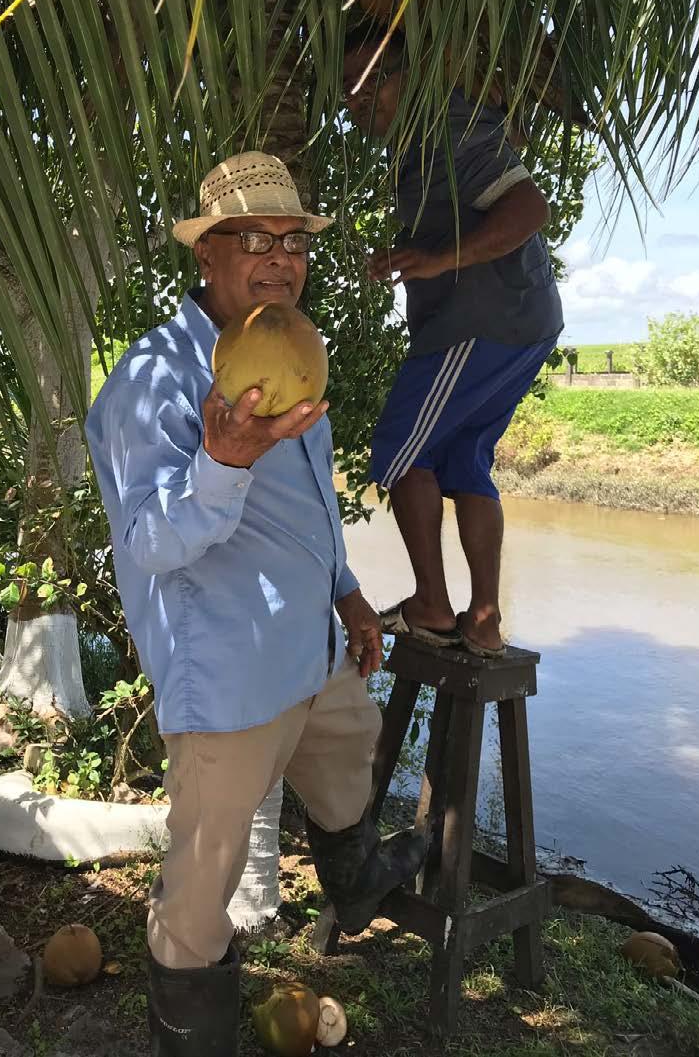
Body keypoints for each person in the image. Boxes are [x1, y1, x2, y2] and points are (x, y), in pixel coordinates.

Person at [85, 151, 425, 1055]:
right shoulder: (150, 380)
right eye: (253, 240)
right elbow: (151, 542)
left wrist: (348, 592)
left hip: (308, 647)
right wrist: (223, 458)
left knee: (350, 755)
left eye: (293, 241)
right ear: (207, 255)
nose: (279, 258)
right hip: (230, 670)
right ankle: (193, 1033)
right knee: (203, 886)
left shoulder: (293, 342)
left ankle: (353, 884)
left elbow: (309, 496)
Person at [343, 29, 563, 657]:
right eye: (348, 103)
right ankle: (485, 619)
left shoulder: (451, 130)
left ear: (406, 79)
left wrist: (440, 263)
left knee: (401, 450)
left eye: (367, 88)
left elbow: (528, 209)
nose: (358, 109)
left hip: (479, 323)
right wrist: (417, 257)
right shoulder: (423, 147)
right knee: (464, 460)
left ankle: (433, 608)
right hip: (524, 321)